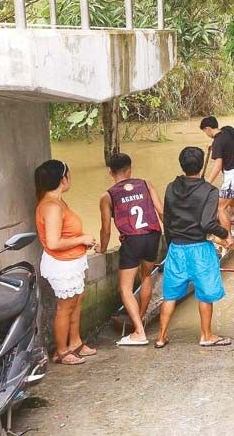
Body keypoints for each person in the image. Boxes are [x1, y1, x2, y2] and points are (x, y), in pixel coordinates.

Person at [155, 146, 234, 349]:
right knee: (205, 294)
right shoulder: (209, 191)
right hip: (199, 250)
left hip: (176, 248)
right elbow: (207, 224)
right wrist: (226, 236)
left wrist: (171, 244)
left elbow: (168, 220)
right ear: (201, 166)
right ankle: (206, 336)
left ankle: (161, 337)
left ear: (182, 165)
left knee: (170, 295)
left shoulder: (171, 187)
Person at [34, 160, 98, 365]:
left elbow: (65, 234)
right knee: (65, 306)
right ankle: (61, 351)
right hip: (61, 264)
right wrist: (82, 240)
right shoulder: (51, 206)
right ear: (63, 179)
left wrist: (82, 243)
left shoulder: (58, 202)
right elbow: (53, 242)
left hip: (72, 261)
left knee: (76, 302)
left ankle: (75, 342)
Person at [99, 153, 164, 346]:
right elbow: (161, 212)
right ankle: (140, 318)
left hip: (132, 240)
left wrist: (102, 249)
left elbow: (106, 229)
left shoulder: (107, 195)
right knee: (146, 276)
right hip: (153, 236)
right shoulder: (146, 184)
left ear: (110, 172)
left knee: (125, 288)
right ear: (130, 169)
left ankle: (138, 331)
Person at [200, 116, 234, 232]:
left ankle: (227, 237)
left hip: (232, 179)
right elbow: (227, 145)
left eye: (205, 131)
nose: (206, 134)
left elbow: (217, 166)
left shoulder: (217, 142)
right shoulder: (227, 131)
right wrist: (214, 147)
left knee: (221, 208)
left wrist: (207, 183)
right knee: (232, 202)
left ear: (208, 128)